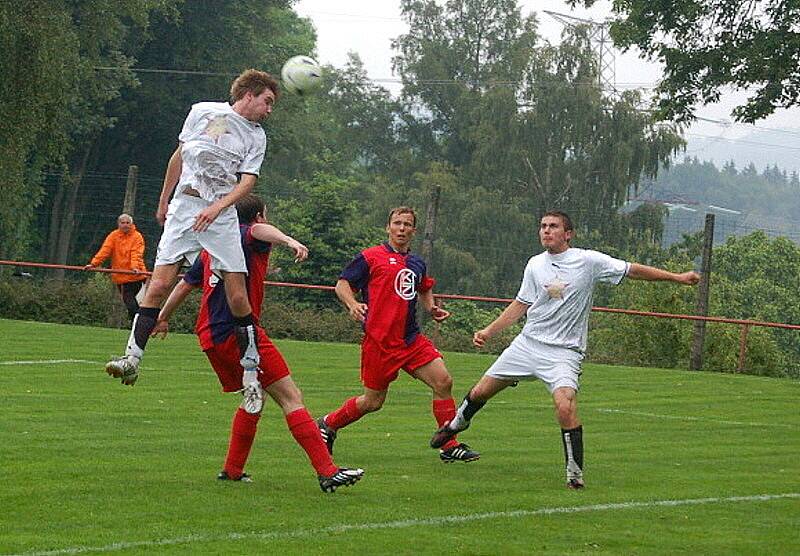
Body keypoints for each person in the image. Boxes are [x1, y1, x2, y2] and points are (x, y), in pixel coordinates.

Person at [430, 210, 701, 488]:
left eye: (553, 226)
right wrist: (489, 330)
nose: (546, 230)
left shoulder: (588, 261)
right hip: (528, 344)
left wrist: (677, 278)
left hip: (564, 352)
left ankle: (574, 474)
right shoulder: (535, 264)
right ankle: (455, 426)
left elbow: (633, 270)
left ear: (568, 234)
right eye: (543, 226)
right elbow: (521, 304)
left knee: (565, 406)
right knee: (479, 392)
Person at [152, 194, 364, 492]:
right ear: (260, 216)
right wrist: (289, 240)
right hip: (239, 332)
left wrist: (162, 317)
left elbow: (186, 284)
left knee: (256, 397)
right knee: (291, 396)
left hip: (210, 336)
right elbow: (258, 231)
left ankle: (233, 469)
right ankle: (327, 471)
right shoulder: (246, 234)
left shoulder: (212, 248)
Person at [105, 69, 279, 401]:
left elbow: (247, 183)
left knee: (238, 297)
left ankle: (251, 376)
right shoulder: (204, 111)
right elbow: (179, 157)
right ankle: (131, 360)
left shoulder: (257, 136)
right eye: (267, 102)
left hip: (221, 214)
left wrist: (217, 208)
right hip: (184, 208)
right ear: (249, 95)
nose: (269, 111)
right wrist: (164, 200)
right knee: (157, 285)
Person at [316, 207, 480, 463]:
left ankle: (449, 445)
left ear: (414, 231)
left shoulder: (416, 263)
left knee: (443, 381)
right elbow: (342, 285)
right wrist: (352, 304)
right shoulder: (370, 257)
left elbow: (424, 288)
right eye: (397, 223)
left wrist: (431, 307)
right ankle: (327, 424)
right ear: (388, 227)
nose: (401, 228)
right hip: (380, 343)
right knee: (372, 402)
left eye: (407, 224)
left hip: (410, 340)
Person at [84, 213, 147, 320]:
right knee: (131, 304)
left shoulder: (137, 236)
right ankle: (139, 322)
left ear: (132, 224)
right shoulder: (113, 236)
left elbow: (136, 253)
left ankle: (139, 323)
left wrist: (134, 267)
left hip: (136, 276)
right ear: (118, 224)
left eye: (128, 223)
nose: (125, 225)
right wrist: (94, 263)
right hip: (121, 277)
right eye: (123, 223)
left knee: (134, 304)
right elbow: (105, 250)